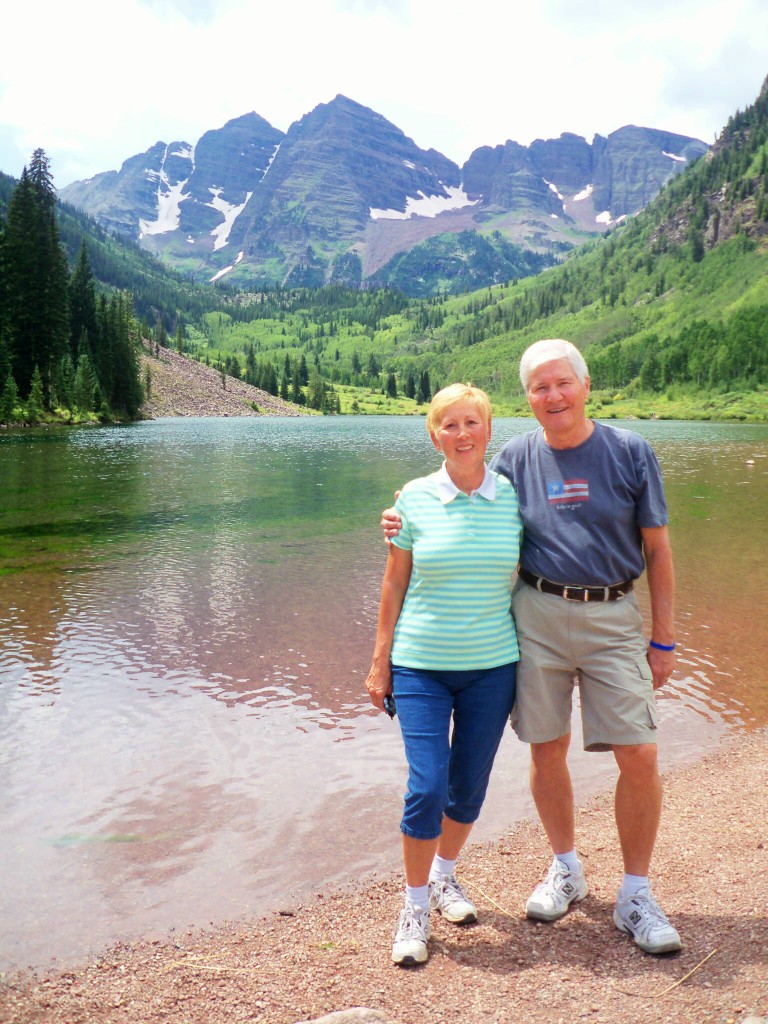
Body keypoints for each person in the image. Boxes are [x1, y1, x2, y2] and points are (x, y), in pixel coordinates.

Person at [382, 339, 681, 956]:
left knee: (641, 755)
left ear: (585, 384)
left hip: (613, 615)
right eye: (540, 388)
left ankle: (635, 893)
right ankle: (566, 868)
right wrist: (399, 518)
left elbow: (658, 550)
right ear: (527, 400)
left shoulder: (630, 452)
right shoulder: (516, 457)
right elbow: (461, 495)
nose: (553, 396)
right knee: (546, 752)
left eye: (562, 383)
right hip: (536, 617)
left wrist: (664, 637)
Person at [366, 383, 522, 966]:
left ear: (488, 430)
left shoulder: (512, 498)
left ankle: (444, 875)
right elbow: (393, 583)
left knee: (468, 788)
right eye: (449, 425)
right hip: (420, 666)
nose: (462, 434)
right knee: (427, 785)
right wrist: (379, 662)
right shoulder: (412, 500)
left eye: (471, 423)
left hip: (493, 666)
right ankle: (413, 906)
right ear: (434, 434)